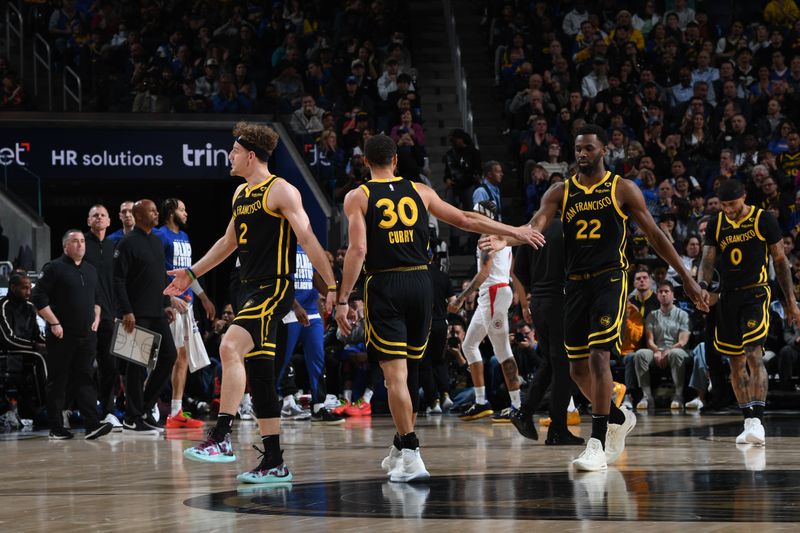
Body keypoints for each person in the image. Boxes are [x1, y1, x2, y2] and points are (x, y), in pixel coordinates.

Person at [482, 124, 706, 471]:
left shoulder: (622, 189)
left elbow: (655, 235)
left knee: (600, 357)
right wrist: (506, 239)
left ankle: (597, 441)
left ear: (604, 151)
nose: (582, 154)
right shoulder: (560, 192)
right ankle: (618, 416)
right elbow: (535, 225)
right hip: (573, 285)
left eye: (588, 148)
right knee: (575, 369)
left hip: (609, 281)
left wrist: (688, 279)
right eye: (578, 149)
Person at [335, 134, 544, 482]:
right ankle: (400, 446)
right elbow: (465, 218)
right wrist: (515, 231)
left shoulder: (358, 196)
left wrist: (342, 299)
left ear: (365, 163)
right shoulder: (421, 191)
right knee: (411, 371)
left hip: (385, 284)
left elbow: (357, 251)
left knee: (395, 376)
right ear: (396, 161)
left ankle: (413, 452)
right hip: (421, 283)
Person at [167, 122, 337, 485]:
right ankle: (274, 461)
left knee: (229, 345)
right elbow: (228, 243)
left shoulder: (282, 191)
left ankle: (222, 436)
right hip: (249, 289)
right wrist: (191, 274)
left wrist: (332, 285)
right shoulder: (241, 193)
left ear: (250, 155)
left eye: (233, 151)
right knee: (261, 379)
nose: (229, 156)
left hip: (274, 289)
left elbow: (307, 237)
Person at [698, 179, 800, 446]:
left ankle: (759, 420)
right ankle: (747, 420)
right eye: (724, 205)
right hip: (727, 297)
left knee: (754, 353)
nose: (729, 210)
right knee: (735, 361)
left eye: (733, 204)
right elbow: (708, 258)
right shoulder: (717, 223)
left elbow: (780, 259)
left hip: (755, 293)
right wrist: (702, 287)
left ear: (744, 197)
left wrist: (790, 300)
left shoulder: (763, 219)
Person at [31, 230, 113, 441]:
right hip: (61, 335)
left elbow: (97, 299)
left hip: (87, 335)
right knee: (58, 381)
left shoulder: (91, 270)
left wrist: (96, 318)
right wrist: (54, 322)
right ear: (65, 246)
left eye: (83, 241)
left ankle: (92, 425)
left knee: (85, 378)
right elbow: (38, 297)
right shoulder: (54, 268)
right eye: (75, 241)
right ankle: (56, 427)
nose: (80, 245)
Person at [448, 201, 524, 422]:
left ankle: (517, 405)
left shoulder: (487, 238)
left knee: (502, 351)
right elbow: (513, 270)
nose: (472, 216)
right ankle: (481, 402)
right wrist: (518, 294)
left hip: (493, 293)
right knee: (469, 344)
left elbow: (484, 273)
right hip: (495, 293)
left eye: (476, 213)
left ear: (487, 216)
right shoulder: (503, 236)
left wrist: (462, 298)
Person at [511, 218, 584, 446]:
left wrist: (533, 293)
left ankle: (525, 412)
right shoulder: (572, 224)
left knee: (550, 363)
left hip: (539, 301)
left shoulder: (533, 226)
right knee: (565, 366)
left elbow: (518, 270)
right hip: (561, 299)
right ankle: (558, 429)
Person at [113, 200, 179, 435]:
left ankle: (143, 408)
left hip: (156, 311)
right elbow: (118, 280)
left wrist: (166, 303)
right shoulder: (127, 242)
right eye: (151, 211)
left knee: (169, 356)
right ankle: (132, 418)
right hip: (135, 314)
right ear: (138, 215)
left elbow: (160, 275)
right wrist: (126, 311)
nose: (156, 213)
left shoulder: (156, 241)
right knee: (137, 367)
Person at [155, 198, 216, 430]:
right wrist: (167, 298)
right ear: (171, 212)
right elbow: (156, 271)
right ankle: (151, 406)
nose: (186, 213)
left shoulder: (185, 237)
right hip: (170, 305)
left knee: (182, 359)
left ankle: (176, 411)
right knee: (166, 358)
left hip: (187, 303)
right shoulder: (160, 236)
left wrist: (203, 297)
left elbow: (189, 273)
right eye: (182, 209)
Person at [83, 205, 122, 430]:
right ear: (89, 221)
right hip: (85, 315)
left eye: (102, 215)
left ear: (109, 221)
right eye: (95, 215)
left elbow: (118, 282)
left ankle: (108, 411)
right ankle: (80, 410)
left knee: (110, 366)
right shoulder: (81, 244)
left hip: (109, 315)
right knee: (84, 366)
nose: (99, 218)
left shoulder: (112, 247)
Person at [633, 281, 691, 410]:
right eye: (660, 292)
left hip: (677, 350)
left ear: (673, 295)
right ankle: (647, 396)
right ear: (657, 295)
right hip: (657, 350)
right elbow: (649, 340)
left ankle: (678, 395)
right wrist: (657, 351)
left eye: (666, 292)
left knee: (676, 354)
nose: (663, 294)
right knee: (640, 354)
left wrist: (668, 352)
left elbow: (683, 341)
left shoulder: (682, 314)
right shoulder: (652, 315)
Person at [0, 273, 46, 420]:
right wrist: (34, 346)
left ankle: (64, 407)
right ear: (13, 287)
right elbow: (7, 339)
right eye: (24, 288)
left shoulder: (30, 307)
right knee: (39, 356)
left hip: (27, 349)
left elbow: (37, 335)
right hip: (8, 351)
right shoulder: (3, 306)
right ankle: (44, 406)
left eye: (29, 288)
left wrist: (50, 344)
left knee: (56, 353)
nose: (28, 292)